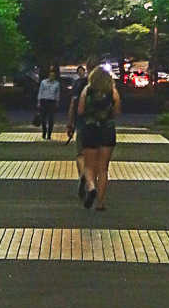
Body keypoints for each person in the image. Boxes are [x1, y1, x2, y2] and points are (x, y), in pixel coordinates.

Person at [77, 64, 120, 211]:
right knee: (103, 168)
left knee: (89, 166)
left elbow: (80, 110)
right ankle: (100, 203)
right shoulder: (112, 92)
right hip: (107, 130)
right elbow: (116, 112)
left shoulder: (86, 90)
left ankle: (91, 186)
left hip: (90, 129)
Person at [66, 62, 89, 201]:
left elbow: (73, 104)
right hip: (99, 126)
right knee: (93, 156)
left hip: (81, 123)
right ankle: (91, 183)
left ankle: (82, 176)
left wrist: (70, 123)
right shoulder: (100, 86)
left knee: (80, 154)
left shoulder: (78, 85)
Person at [37, 65, 61, 139]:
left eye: (53, 76)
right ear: (48, 76)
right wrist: (39, 101)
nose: (52, 77)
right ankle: (44, 132)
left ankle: (49, 134)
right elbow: (40, 92)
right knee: (43, 118)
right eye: (51, 75)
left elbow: (57, 94)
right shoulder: (43, 82)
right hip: (44, 101)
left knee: (51, 119)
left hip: (52, 102)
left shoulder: (57, 84)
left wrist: (57, 102)